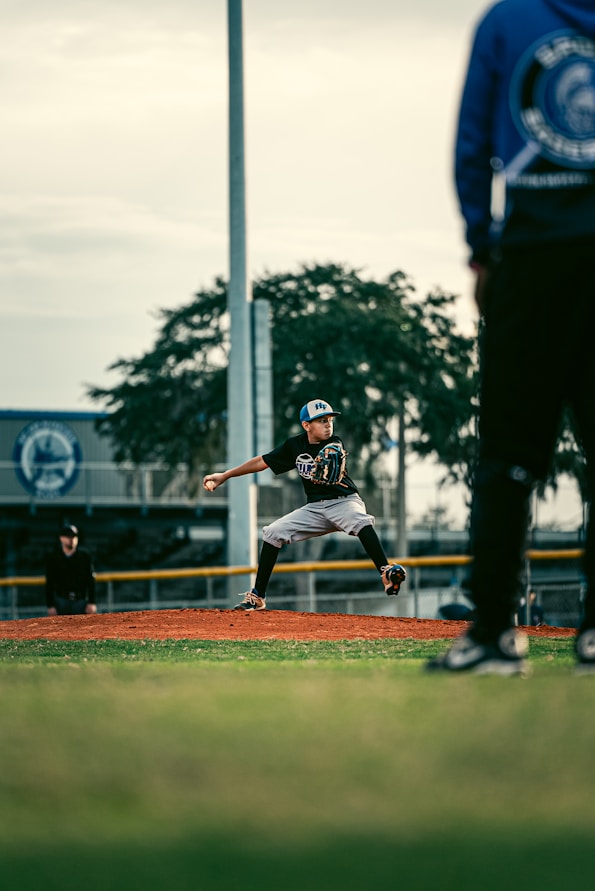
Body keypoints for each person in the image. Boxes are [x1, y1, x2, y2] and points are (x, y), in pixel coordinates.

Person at [427, 0, 595, 674]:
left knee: (506, 456)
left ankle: (493, 633)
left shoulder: (505, 21)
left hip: (531, 256)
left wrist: (478, 246)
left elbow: (471, 144)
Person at [202, 399, 406, 610]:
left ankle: (386, 572)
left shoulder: (334, 443)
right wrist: (225, 475)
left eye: (329, 420)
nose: (328, 424)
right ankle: (258, 596)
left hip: (344, 502)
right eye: (321, 421)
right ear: (306, 425)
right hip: (315, 509)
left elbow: (336, 450)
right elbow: (261, 462)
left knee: (359, 520)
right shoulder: (295, 446)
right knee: (273, 532)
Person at [45, 524, 97, 616]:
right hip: (61, 600)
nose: (71, 539)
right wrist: (50, 605)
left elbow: (91, 581)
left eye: (74, 536)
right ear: (61, 538)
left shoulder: (85, 557)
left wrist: (92, 602)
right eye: (68, 536)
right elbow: (49, 583)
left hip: (80, 601)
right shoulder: (54, 557)